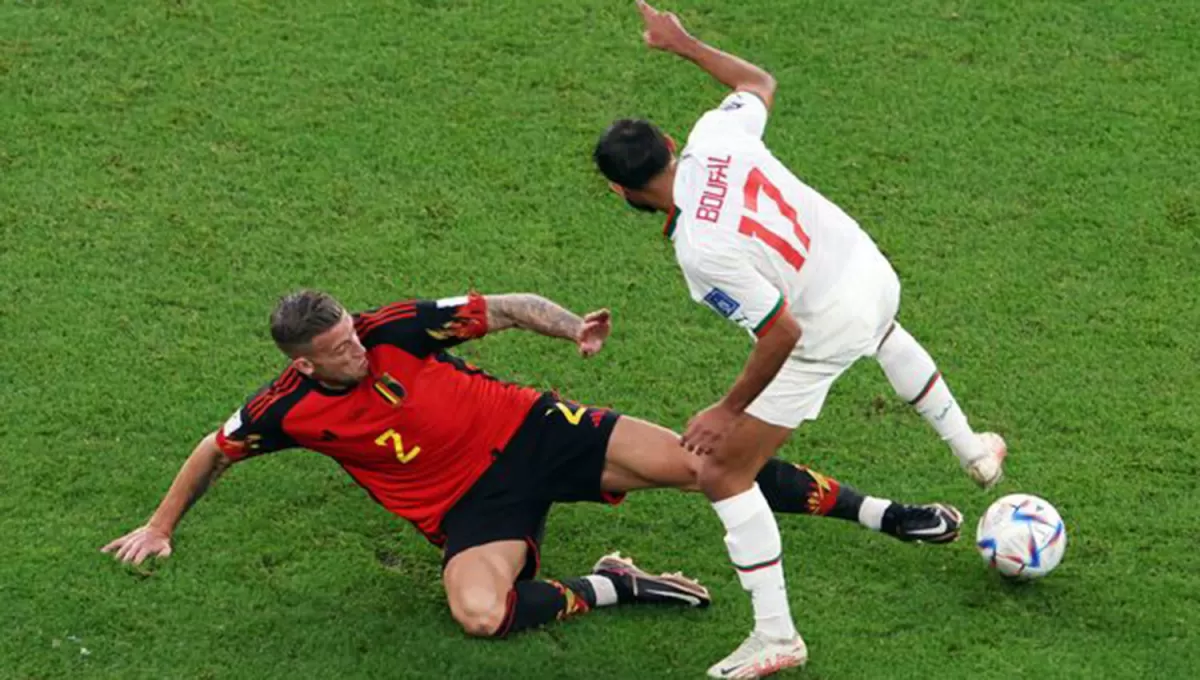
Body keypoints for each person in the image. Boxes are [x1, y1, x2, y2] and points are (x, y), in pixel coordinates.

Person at [102, 290, 961, 647]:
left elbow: (503, 307)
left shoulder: (396, 326)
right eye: (336, 352)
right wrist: (160, 525)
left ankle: (886, 513)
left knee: (707, 464)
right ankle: (620, 583)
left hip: (534, 431)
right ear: (305, 362)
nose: (356, 351)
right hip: (468, 508)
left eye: (353, 337)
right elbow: (215, 448)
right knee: (479, 614)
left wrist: (568, 329)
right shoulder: (284, 407)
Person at [591, 2, 1007, 676]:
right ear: (670, 141)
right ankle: (973, 451)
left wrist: (726, 411)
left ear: (621, 191)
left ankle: (776, 635)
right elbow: (758, 84)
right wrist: (682, 43)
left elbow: (780, 333)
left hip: (827, 320)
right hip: (869, 268)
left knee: (724, 471)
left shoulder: (701, 251)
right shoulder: (713, 138)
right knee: (886, 331)